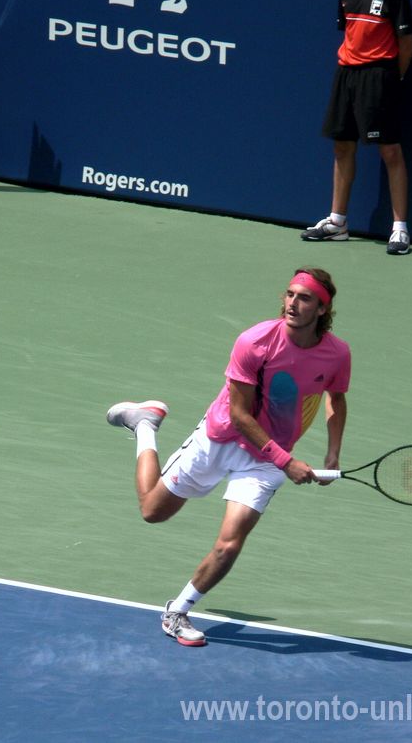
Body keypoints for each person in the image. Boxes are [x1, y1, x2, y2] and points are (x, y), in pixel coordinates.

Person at [106, 268, 351, 646]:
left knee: (229, 544)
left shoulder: (336, 354)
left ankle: (178, 611)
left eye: (303, 298)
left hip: (264, 461)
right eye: (289, 295)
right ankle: (144, 426)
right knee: (153, 511)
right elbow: (240, 414)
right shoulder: (255, 342)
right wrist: (287, 462)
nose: (292, 303)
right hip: (221, 437)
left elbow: (336, 399)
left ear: (322, 309)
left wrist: (332, 452)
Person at [302, 0, 412, 255]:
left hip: (379, 76)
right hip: (346, 74)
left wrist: (392, 80)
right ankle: (337, 223)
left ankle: (400, 229)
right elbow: (351, 32)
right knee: (342, 147)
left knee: (390, 151)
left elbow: (406, 43)